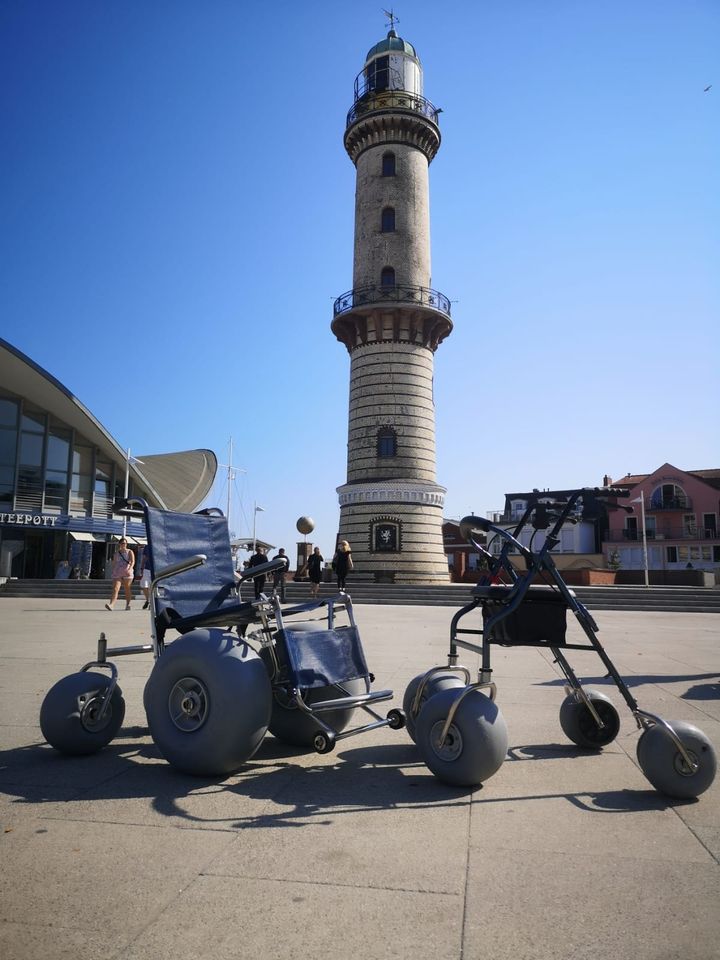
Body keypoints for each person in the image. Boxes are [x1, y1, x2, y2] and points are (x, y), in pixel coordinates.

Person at [106, 537, 135, 611]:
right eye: (122, 543)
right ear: (119, 544)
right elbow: (114, 562)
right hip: (118, 572)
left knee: (127, 589)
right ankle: (111, 605)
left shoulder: (129, 551)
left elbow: (132, 561)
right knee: (115, 588)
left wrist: (130, 569)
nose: (124, 545)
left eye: (125, 543)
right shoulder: (117, 553)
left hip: (127, 572)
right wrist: (113, 570)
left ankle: (128, 604)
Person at [139, 543, 153, 610]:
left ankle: (152, 603)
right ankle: (148, 600)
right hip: (146, 569)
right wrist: (141, 568)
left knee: (152, 586)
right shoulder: (147, 546)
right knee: (144, 586)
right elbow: (144, 558)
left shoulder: (158, 545)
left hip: (155, 569)